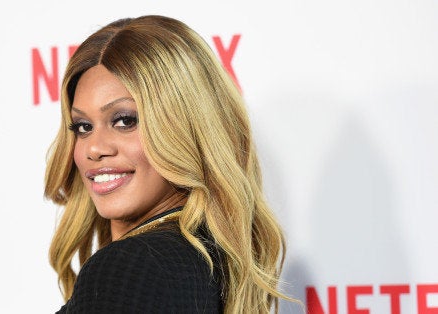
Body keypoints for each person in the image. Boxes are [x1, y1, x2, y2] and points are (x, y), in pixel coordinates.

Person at [45, 15, 289, 313]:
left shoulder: (132, 267)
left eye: (125, 121)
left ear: (183, 128)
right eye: (83, 126)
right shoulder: (207, 261)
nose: (94, 148)